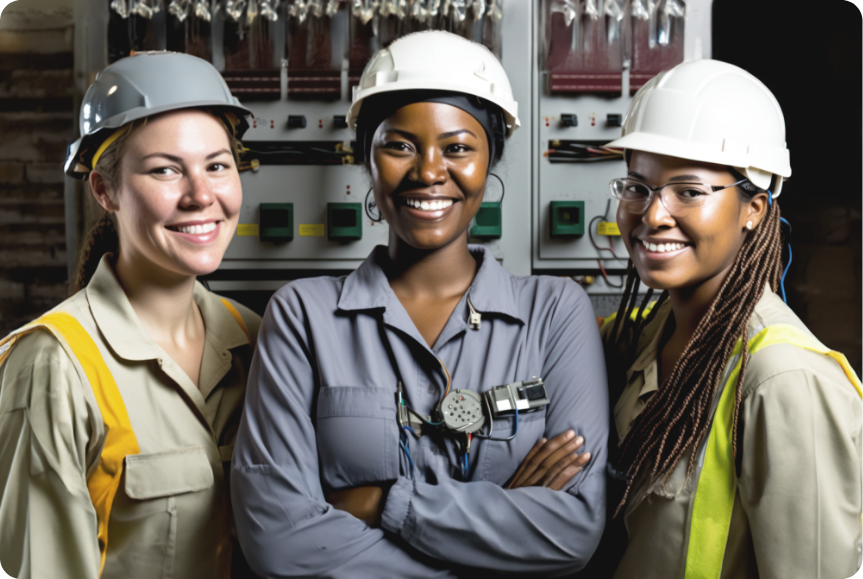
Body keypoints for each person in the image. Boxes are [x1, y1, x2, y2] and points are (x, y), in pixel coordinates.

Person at [231, 30, 609, 577]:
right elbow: (278, 541)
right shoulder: (301, 315)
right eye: (399, 145)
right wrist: (498, 543)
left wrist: (381, 503)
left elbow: (571, 530)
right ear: (366, 157)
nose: (429, 172)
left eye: (458, 147)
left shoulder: (554, 313)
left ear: (489, 161)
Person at [595, 59, 863, 578]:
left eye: (688, 191)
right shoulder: (648, 336)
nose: (652, 215)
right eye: (637, 186)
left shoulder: (785, 381)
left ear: (754, 209)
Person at [0, 52, 261, 578]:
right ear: (105, 190)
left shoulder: (256, 340)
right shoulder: (54, 365)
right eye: (166, 170)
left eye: (217, 165)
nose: (201, 195)